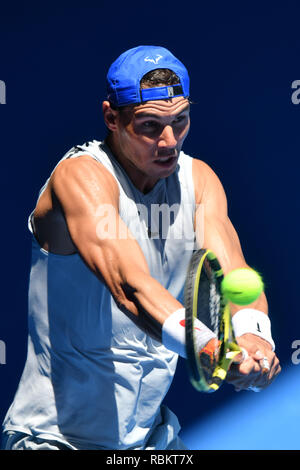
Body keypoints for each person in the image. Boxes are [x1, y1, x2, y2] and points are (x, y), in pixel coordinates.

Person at [2, 45, 281, 450]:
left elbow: (235, 275)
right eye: (150, 126)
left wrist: (255, 337)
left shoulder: (198, 180)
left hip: (151, 440)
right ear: (111, 118)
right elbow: (131, 289)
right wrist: (208, 346)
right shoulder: (81, 177)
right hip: (53, 440)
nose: (169, 141)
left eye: (180, 121)